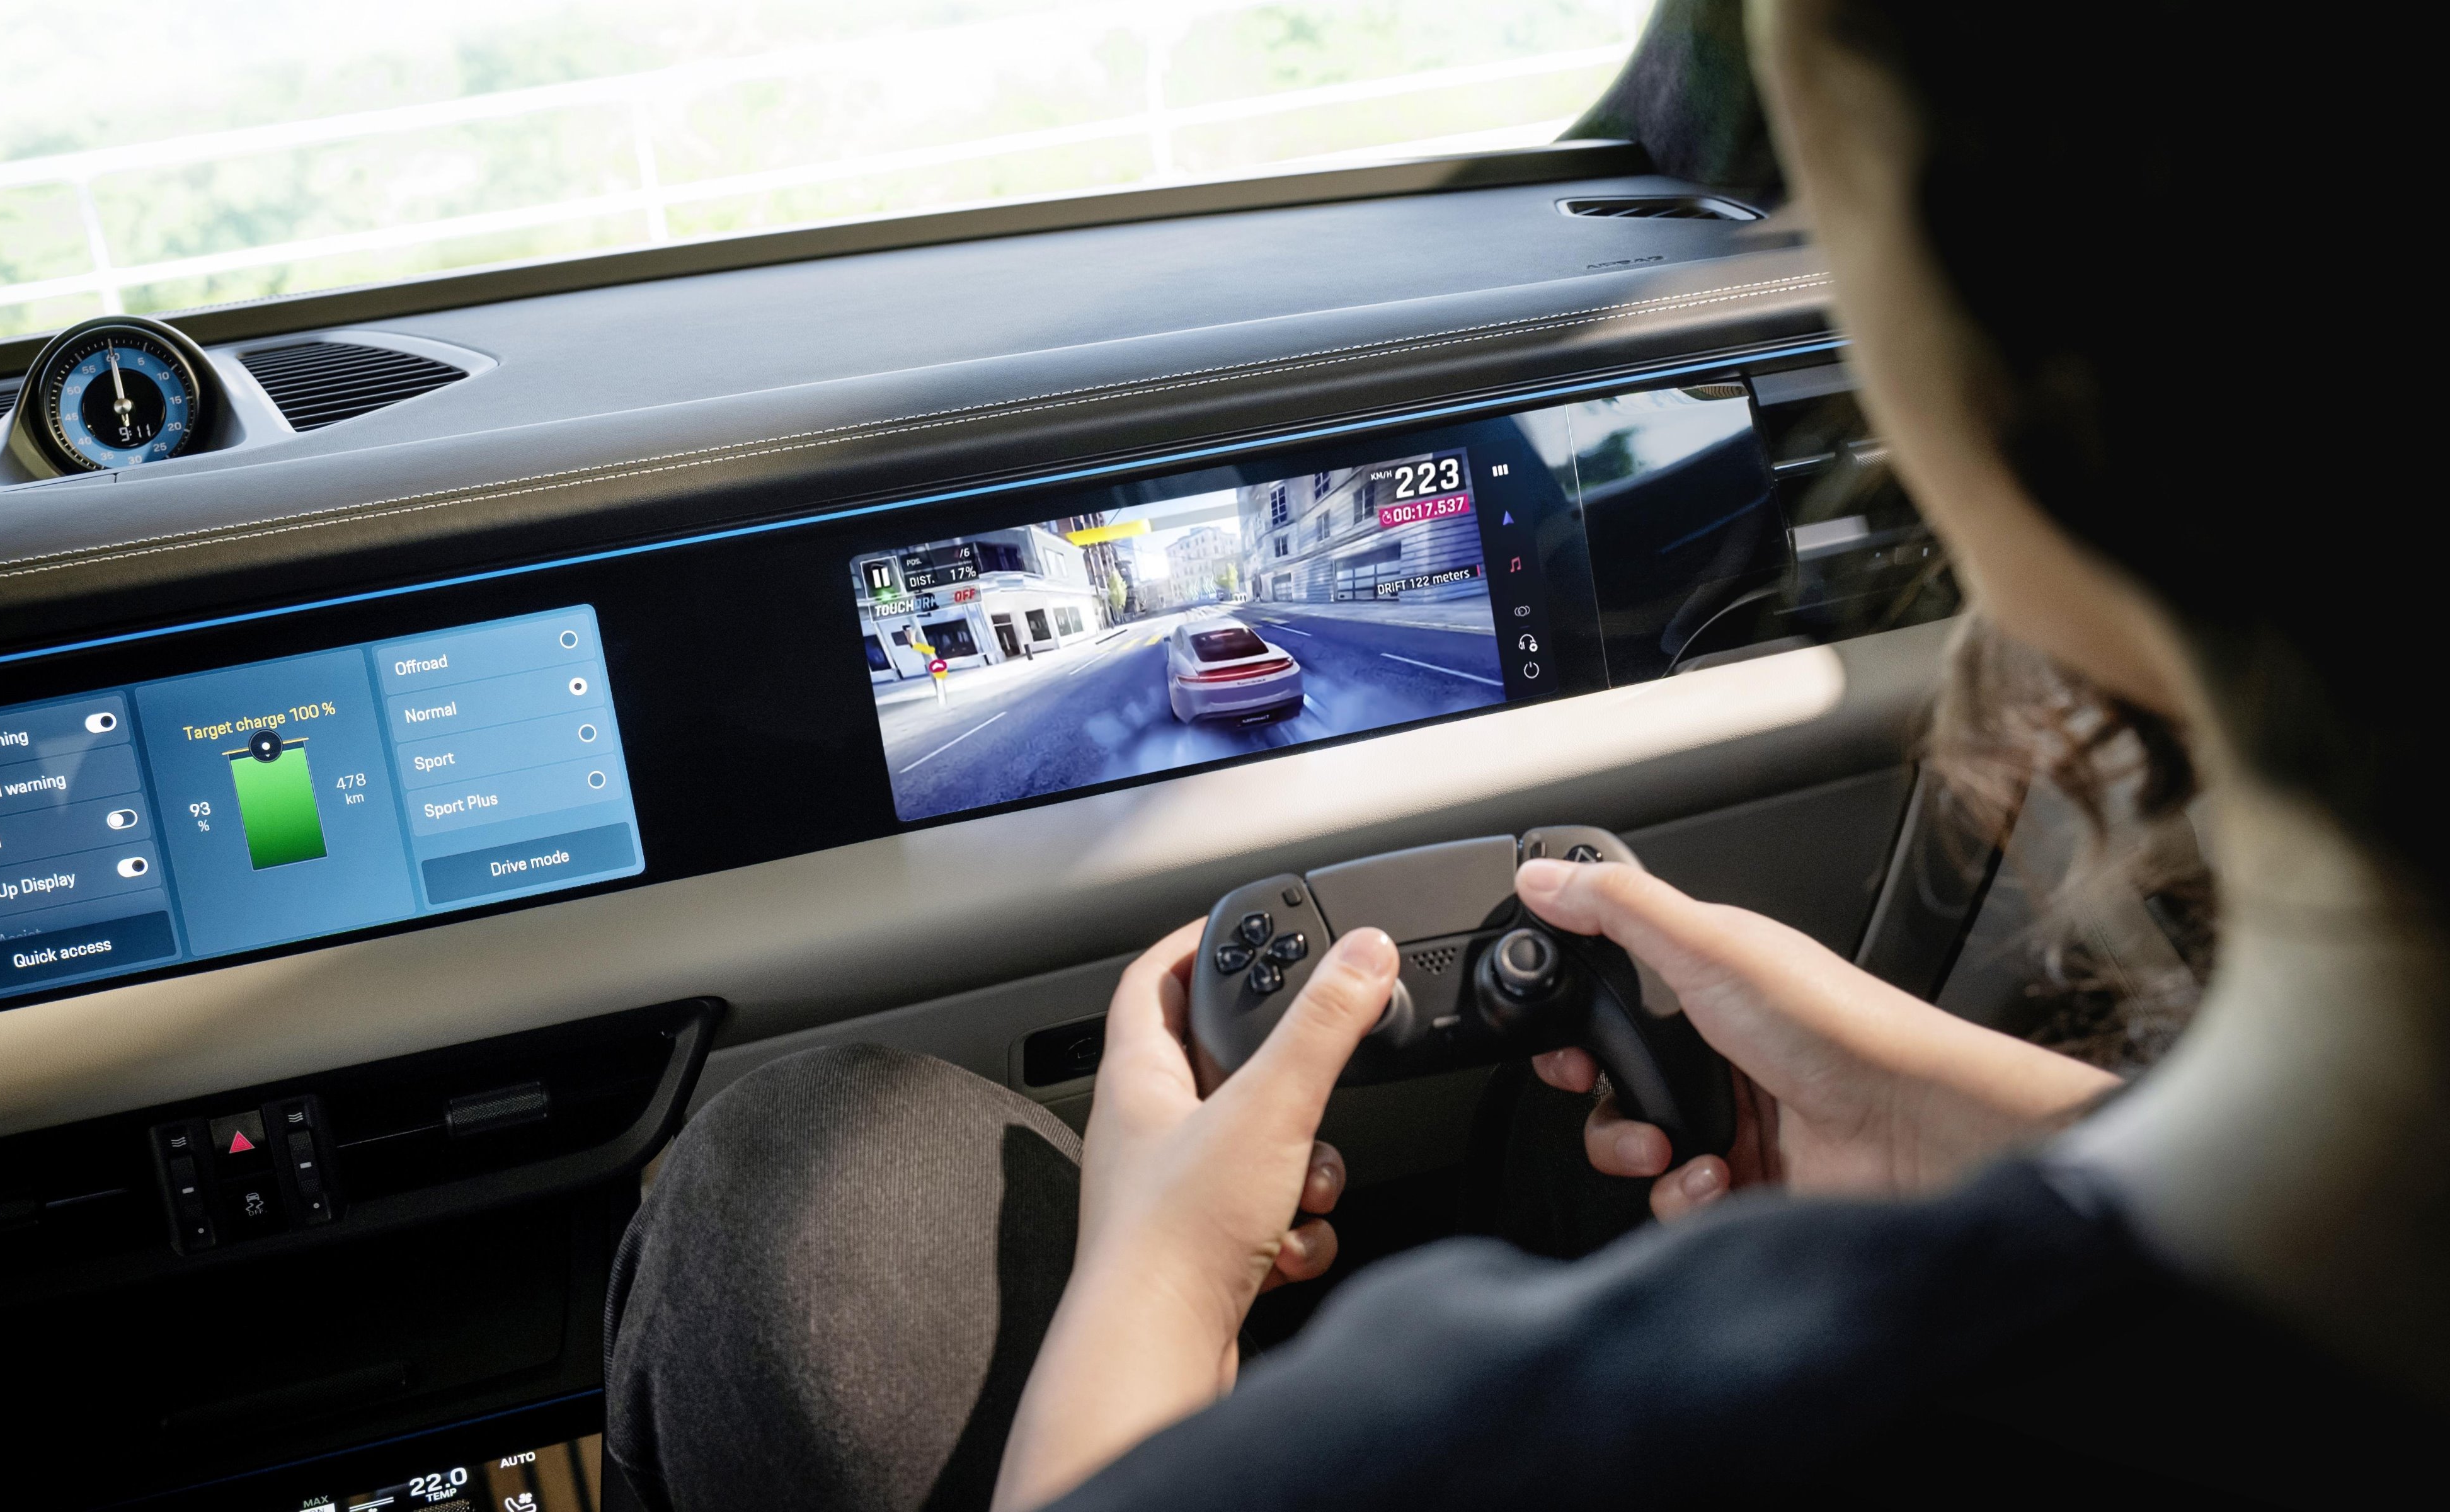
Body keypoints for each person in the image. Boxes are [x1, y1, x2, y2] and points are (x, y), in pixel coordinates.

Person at [607, 6, 2444, 1508]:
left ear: (2012, 352)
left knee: (791, 1192)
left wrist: (1157, 1288)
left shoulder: (1472, 1440)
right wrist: (2000, 1123)